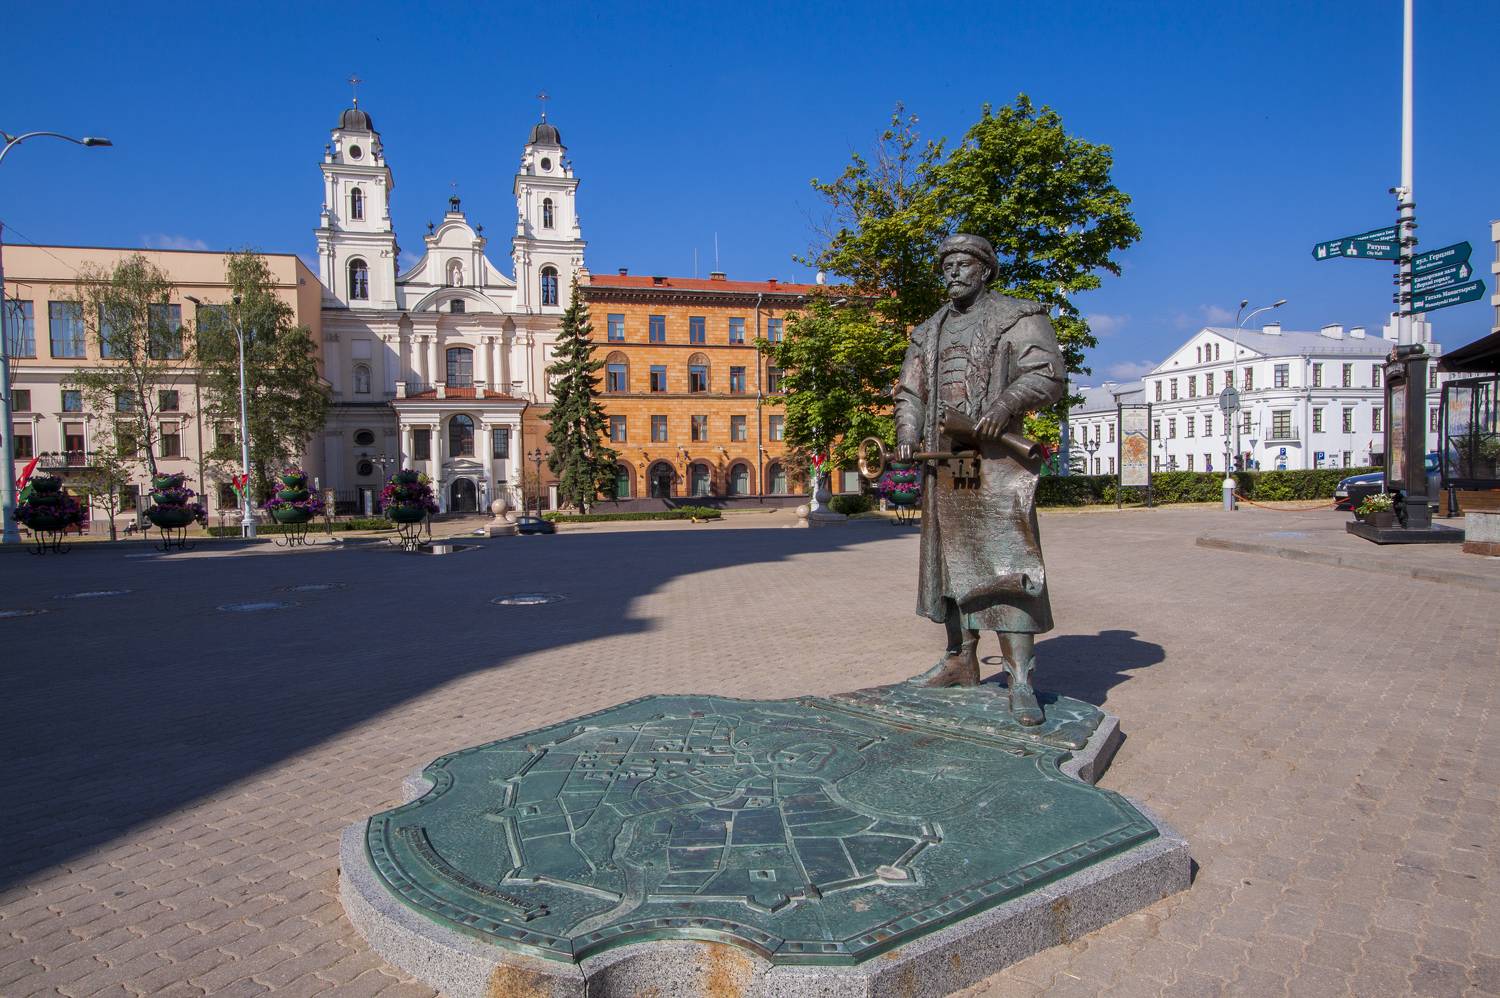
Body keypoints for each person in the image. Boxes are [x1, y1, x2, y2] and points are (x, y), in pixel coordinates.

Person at [894, 234, 1066, 725]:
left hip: (994, 461)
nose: (952, 272)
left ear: (986, 270)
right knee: (950, 562)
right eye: (946, 264)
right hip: (947, 460)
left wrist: (1005, 405)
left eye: (963, 263)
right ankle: (960, 660)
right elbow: (910, 392)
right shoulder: (928, 331)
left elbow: (1048, 375)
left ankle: (1020, 678)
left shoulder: (1018, 316)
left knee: (1005, 562)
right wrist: (907, 433)